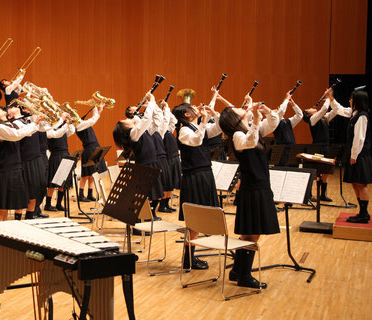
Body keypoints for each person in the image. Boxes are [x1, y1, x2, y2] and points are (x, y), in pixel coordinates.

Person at [219, 102, 280, 289]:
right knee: (252, 233)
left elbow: (274, 122)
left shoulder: (249, 129)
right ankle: (244, 275)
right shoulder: (237, 135)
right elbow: (250, 141)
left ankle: (238, 271)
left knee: (250, 233)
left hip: (259, 185)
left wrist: (266, 111)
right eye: (237, 109)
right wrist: (256, 120)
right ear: (234, 119)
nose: (240, 107)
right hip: (253, 187)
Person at [172, 102, 222, 270]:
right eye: (192, 108)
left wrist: (212, 113)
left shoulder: (198, 126)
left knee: (201, 220)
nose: (196, 109)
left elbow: (218, 128)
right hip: (194, 176)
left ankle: (190, 258)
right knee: (194, 221)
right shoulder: (184, 130)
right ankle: (188, 260)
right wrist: (203, 121)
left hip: (204, 173)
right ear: (186, 114)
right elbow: (196, 141)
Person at [0, 107, 44, 221]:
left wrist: (37, 121)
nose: (1, 108)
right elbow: (16, 135)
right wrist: (36, 122)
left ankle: (2, 234)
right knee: (2, 208)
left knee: (7, 207)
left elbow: (27, 132)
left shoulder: (9, 124)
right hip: (6, 169)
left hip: (15, 167)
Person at [113, 93, 165, 216]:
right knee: (144, 196)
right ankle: (138, 220)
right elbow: (146, 120)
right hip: (144, 167)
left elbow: (157, 121)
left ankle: (149, 216)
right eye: (126, 120)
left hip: (152, 164)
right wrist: (151, 101)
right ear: (125, 128)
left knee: (155, 194)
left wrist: (154, 107)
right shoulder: (133, 133)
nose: (129, 119)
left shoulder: (141, 131)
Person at [329, 88, 372, 223]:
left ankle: (364, 214)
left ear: (357, 100)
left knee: (361, 184)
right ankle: (362, 212)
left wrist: (354, 155)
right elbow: (339, 110)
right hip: (355, 154)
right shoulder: (354, 113)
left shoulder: (362, 116)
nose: (349, 100)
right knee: (355, 183)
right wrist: (331, 98)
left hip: (360, 155)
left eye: (352, 98)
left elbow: (359, 138)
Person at [8, 104, 50, 219]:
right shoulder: (14, 123)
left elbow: (42, 128)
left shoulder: (27, 120)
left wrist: (39, 113)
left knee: (36, 189)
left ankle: (30, 216)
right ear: (9, 114)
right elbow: (27, 132)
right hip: (25, 159)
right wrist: (35, 120)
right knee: (24, 191)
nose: (16, 106)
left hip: (36, 157)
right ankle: (18, 218)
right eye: (12, 107)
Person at [303, 96, 339, 201]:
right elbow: (323, 109)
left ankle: (323, 195)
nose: (312, 107)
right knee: (314, 172)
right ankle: (309, 194)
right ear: (308, 114)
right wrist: (328, 98)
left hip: (326, 146)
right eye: (308, 109)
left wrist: (332, 100)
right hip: (317, 147)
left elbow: (335, 111)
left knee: (326, 171)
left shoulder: (324, 118)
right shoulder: (312, 119)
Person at [76, 103, 106, 202]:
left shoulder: (83, 123)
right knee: (85, 174)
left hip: (94, 147)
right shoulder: (79, 125)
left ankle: (90, 193)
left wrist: (96, 107)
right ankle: (81, 194)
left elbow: (94, 118)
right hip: (88, 149)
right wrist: (97, 108)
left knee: (92, 173)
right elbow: (93, 119)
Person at [45, 113, 75, 212]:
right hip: (56, 155)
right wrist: (64, 123)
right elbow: (56, 134)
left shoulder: (62, 127)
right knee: (52, 182)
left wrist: (70, 123)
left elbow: (71, 131)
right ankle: (48, 204)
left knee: (63, 182)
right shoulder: (49, 128)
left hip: (65, 153)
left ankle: (59, 204)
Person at [273, 92, 303, 166]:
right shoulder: (273, 121)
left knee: (293, 168)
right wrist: (286, 99)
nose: (273, 110)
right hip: (282, 149)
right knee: (282, 168)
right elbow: (281, 112)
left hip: (292, 148)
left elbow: (299, 115)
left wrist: (293, 104)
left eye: (275, 109)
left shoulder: (288, 121)